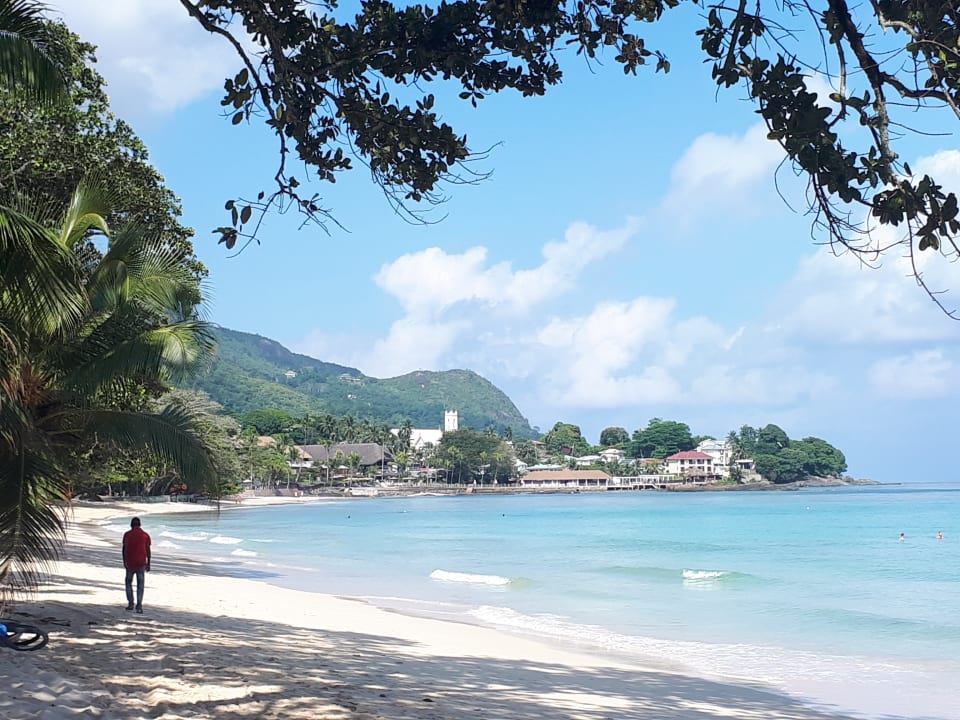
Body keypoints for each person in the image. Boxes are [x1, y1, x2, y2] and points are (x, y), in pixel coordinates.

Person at [122, 517, 151, 613]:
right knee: (140, 585)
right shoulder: (145, 535)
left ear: (131, 525)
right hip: (141, 563)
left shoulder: (127, 535)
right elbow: (148, 550)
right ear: (140, 525)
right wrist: (149, 563)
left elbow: (124, 549)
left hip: (130, 562)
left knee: (128, 583)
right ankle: (139, 605)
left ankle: (131, 603)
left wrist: (124, 561)